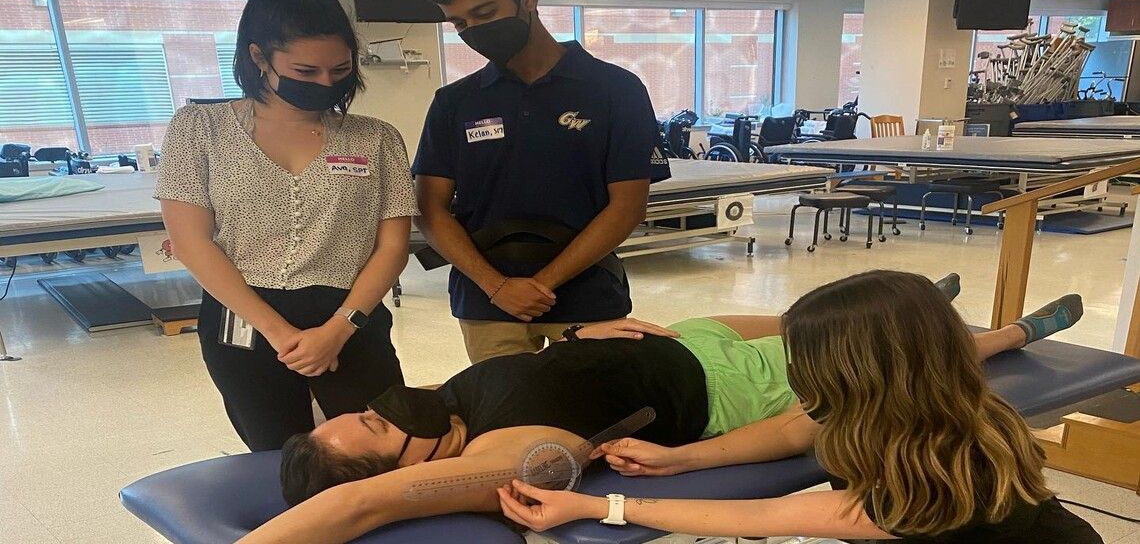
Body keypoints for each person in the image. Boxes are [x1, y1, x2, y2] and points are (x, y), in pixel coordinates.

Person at [236, 273, 1087, 543]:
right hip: (702, 367)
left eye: (364, 413)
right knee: (816, 338)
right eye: (377, 425)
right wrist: (639, 480)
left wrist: (573, 338)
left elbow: (789, 513)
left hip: (684, 342)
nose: (385, 406)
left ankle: (947, 324)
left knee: (803, 334)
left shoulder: (924, 480)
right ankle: (941, 323)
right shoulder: (939, 439)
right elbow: (357, 501)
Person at [497, 271, 1101, 543]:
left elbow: (763, 518)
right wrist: (680, 458)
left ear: (854, 373)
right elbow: (791, 432)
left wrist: (597, 505)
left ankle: (1021, 330)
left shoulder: (922, 487)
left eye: (802, 357)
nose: (790, 367)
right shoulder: (900, 404)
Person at [156, 0, 418, 452]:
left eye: (339, 71)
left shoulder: (376, 138)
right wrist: (279, 334)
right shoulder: (199, 128)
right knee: (279, 456)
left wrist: (338, 330)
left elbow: (393, 246)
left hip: (351, 315)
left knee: (383, 450)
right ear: (259, 57)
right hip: (244, 317)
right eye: (306, 71)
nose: (325, 83)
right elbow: (193, 242)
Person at [412, 0, 670, 363]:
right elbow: (429, 209)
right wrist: (498, 287)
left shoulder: (615, 90)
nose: (473, 30)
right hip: (488, 301)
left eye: (485, 13)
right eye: (458, 22)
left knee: (593, 415)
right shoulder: (454, 102)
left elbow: (627, 206)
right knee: (508, 420)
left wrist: (540, 284)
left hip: (588, 292)